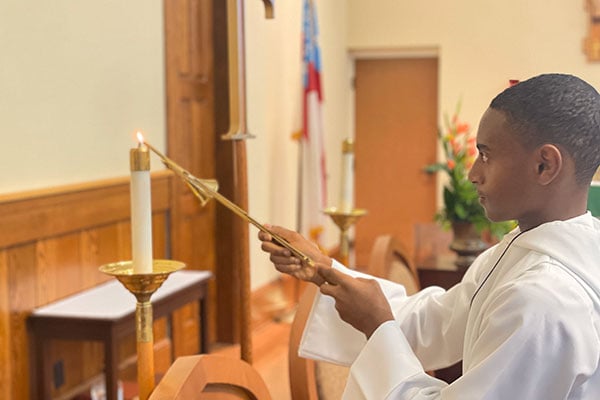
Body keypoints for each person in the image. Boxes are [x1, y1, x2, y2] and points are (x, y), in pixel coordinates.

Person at [259, 73, 600, 399]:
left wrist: (378, 328)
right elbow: (437, 321)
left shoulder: (543, 301)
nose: (472, 174)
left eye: (486, 155)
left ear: (545, 165)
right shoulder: (527, 248)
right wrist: (325, 270)